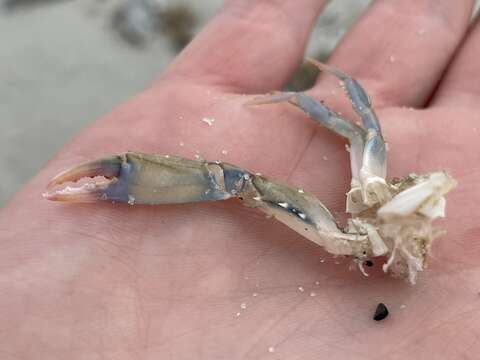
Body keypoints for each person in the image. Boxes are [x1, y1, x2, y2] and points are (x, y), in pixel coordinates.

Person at [1, 1, 479, 358]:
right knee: (340, 140)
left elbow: (362, 128)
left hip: (369, 240)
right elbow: (362, 128)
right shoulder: (372, 193)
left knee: (246, 180)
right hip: (367, 236)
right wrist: (302, 102)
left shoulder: (355, 233)